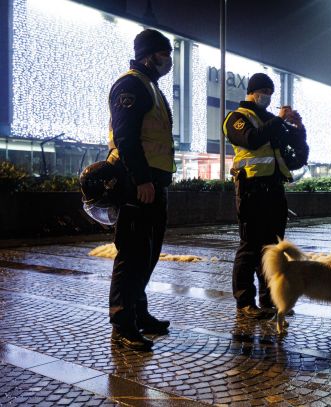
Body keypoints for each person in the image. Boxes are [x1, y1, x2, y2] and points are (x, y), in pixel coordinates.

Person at [107, 29, 175, 351]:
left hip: (154, 183)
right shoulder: (131, 84)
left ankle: (139, 313)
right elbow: (126, 137)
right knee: (131, 255)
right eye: (165, 54)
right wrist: (141, 180)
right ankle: (122, 325)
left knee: (147, 255)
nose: (169, 60)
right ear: (149, 55)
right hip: (137, 183)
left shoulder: (151, 86)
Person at [223, 73, 309, 319]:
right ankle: (245, 302)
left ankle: (270, 299)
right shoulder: (237, 117)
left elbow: (293, 143)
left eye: (270, 92)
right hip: (250, 189)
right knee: (250, 247)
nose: (267, 97)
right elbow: (251, 139)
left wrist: (297, 127)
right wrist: (279, 121)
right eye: (263, 91)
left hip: (274, 189)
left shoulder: (273, 119)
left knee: (273, 248)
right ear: (251, 92)